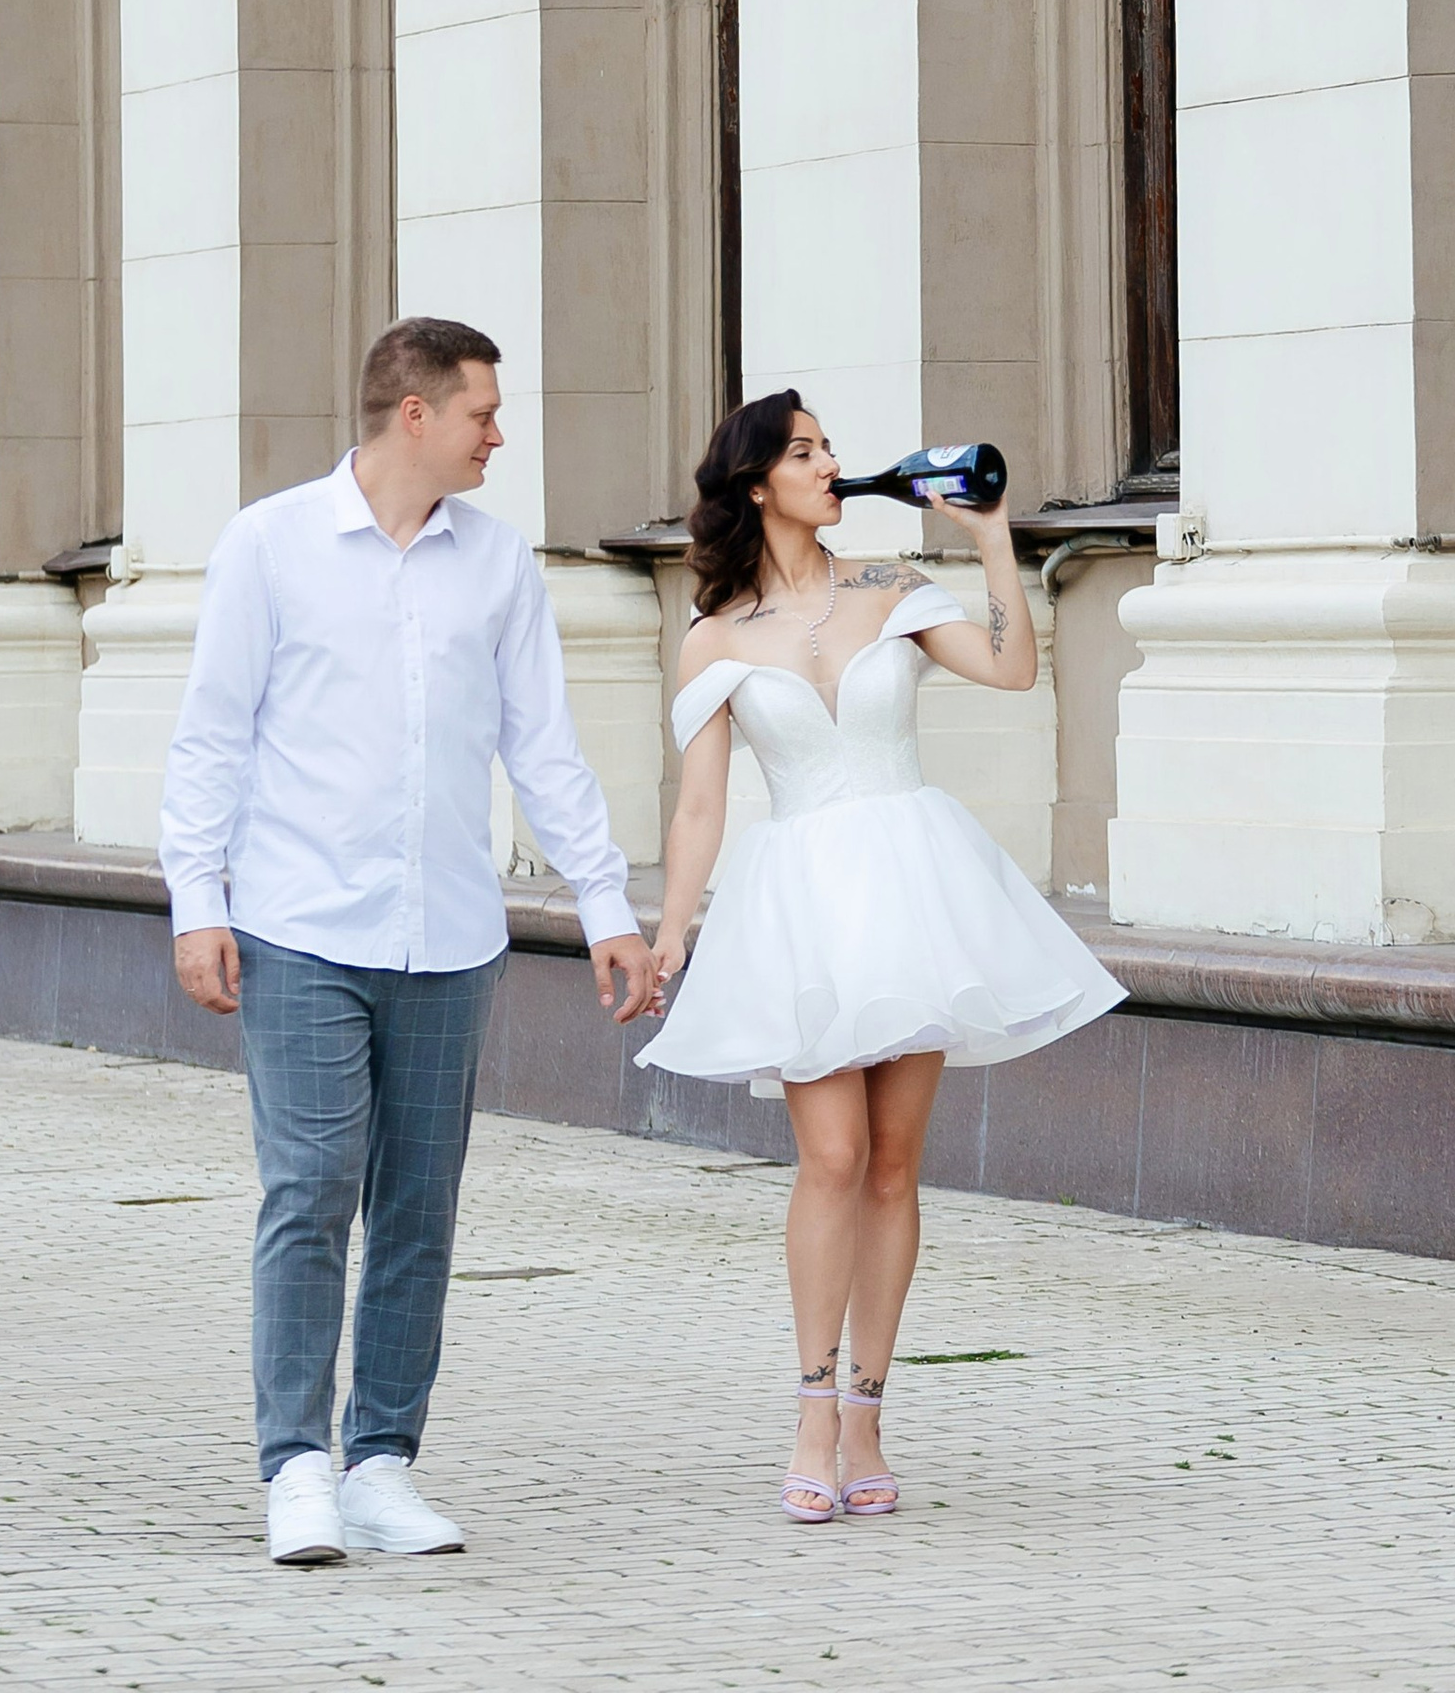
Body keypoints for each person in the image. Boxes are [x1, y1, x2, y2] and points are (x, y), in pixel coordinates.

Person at [160, 316, 655, 1568]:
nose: (501, 434)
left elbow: (541, 747)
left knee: (420, 1208)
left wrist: (605, 905)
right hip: (297, 926)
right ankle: (296, 1470)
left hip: (449, 936)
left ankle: (381, 1462)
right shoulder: (268, 545)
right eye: (485, 410)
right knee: (312, 1189)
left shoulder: (496, 565)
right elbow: (213, 734)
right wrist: (195, 900)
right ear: (415, 414)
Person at [640, 390, 1122, 1522]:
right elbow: (701, 807)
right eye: (806, 452)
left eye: (831, 450)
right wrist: (672, 928)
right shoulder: (713, 638)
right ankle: (810, 1407)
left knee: (895, 1164)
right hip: (802, 902)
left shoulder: (891, 591)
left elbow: (1009, 673)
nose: (832, 465)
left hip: (912, 888)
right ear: (759, 483)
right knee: (833, 1158)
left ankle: (866, 1416)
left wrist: (993, 543)